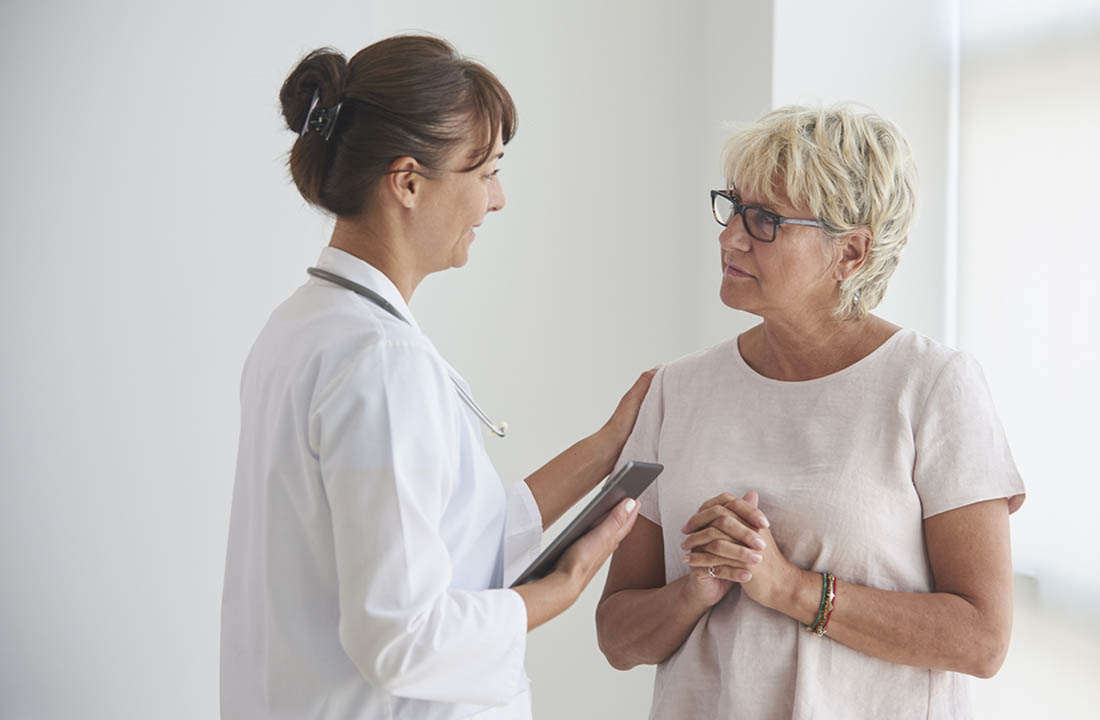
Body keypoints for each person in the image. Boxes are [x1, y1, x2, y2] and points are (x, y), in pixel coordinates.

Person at [221, 35, 651, 719]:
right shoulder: (380, 363)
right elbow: (400, 638)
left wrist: (608, 447)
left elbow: (454, 535)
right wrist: (558, 590)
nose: (498, 199)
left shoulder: (303, 328)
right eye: (484, 172)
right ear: (409, 182)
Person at [595, 105, 1026, 719]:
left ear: (850, 253)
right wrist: (697, 588)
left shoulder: (934, 386)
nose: (731, 237)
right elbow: (617, 638)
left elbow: (982, 641)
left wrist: (790, 588)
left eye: (765, 220)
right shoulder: (676, 390)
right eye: (734, 207)